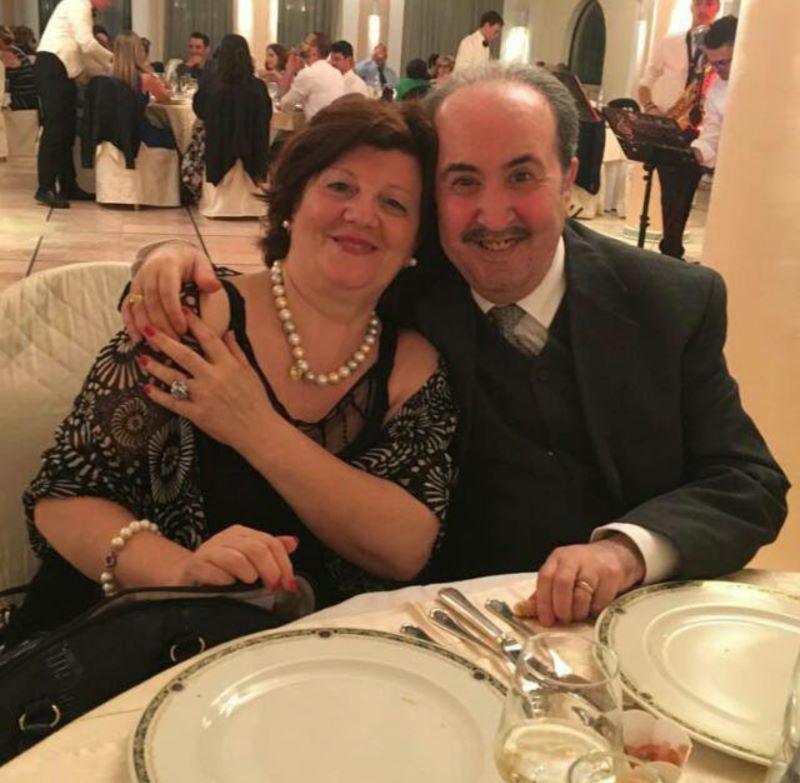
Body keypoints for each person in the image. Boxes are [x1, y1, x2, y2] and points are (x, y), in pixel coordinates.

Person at [124, 63, 788, 628]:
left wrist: (625, 552)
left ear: (568, 177)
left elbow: (746, 482)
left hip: (626, 626)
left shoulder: (668, 301)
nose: (493, 215)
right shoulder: (406, 284)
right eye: (463, 181)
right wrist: (168, 265)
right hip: (447, 626)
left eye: (522, 176)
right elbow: (300, 274)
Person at [10, 96, 456, 646]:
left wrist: (252, 426)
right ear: (293, 202)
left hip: (299, 666)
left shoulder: (413, 363)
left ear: (416, 241)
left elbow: (404, 549)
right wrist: (182, 574)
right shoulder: (195, 314)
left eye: (394, 203)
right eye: (340, 187)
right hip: (125, 646)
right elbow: (64, 497)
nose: (362, 214)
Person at [638, 0, 720, 259]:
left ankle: (672, 249)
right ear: (691, 6)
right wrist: (650, 107)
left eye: (710, 4)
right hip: (670, 124)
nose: (703, 9)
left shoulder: (719, 48)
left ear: (717, 8)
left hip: (701, 129)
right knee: (670, 192)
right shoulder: (670, 42)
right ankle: (671, 250)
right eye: (699, 3)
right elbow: (646, 80)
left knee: (687, 192)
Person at [33, 0, 113, 208]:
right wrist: (114, 61)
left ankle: (68, 185)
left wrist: (110, 70)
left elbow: (83, 55)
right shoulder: (78, 3)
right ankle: (45, 188)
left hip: (60, 70)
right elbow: (87, 44)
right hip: (53, 67)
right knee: (55, 129)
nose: (110, 3)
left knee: (66, 131)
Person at [192, 34, 270, 188]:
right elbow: (267, 115)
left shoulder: (211, 84)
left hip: (219, 151)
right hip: (252, 151)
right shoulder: (258, 87)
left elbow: (200, 110)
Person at [111, 31, 175, 150]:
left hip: (115, 135)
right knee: (177, 136)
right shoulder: (144, 78)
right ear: (137, 51)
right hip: (140, 136)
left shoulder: (108, 78)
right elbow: (166, 98)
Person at [691, 16, 736, 169]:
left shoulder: (766, 83)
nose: (717, 69)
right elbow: (712, 131)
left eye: (722, 62)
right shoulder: (716, 87)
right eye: (713, 63)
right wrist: (696, 152)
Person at [279, 32, 343, 121]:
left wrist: (289, 70)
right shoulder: (336, 73)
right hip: (333, 125)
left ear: (314, 50)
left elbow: (285, 105)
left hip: (318, 127)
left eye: (305, 43)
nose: (301, 45)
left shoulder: (308, 74)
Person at [0, 25, 38, 110]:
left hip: (22, 102)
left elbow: (3, 80)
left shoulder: (8, 54)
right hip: (30, 99)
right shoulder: (15, 51)